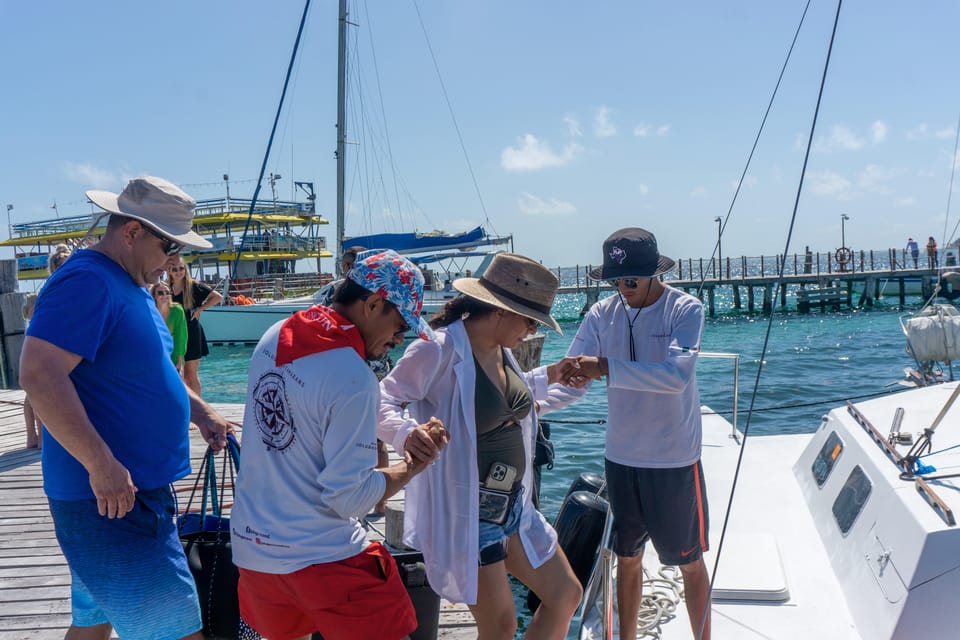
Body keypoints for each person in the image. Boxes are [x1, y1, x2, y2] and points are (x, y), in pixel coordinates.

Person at [18, 176, 233, 640]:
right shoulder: (87, 280)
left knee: (92, 624)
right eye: (169, 247)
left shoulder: (128, 281)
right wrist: (100, 463)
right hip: (113, 501)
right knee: (176, 633)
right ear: (133, 232)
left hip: (121, 498)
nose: (175, 262)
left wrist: (199, 411)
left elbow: (149, 369)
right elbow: (38, 374)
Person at [230, 249, 448, 640]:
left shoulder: (276, 334)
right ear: (373, 304)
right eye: (400, 325)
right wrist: (413, 465)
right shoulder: (353, 376)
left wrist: (400, 434)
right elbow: (350, 499)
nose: (399, 340)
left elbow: (318, 405)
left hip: (253, 551)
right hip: (320, 556)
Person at [379, 253, 583, 639]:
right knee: (501, 626)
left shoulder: (503, 351)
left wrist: (551, 375)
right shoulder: (437, 349)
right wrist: (407, 434)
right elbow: (381, 398)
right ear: (501, 311)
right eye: (530, 320)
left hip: (515, 508)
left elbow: (505, 403)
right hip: (470, 513)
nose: (531, 330)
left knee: (565, 595)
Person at [552, 228, 711, 640]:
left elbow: (677, 377)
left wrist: (603, 366)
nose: (624, 289)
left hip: (673, 458)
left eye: (632, 281)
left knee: (689, 563)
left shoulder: (686, 309)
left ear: (655, 274)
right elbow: (572, 375)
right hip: (621, 457)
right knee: (627, 557)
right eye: (616, 281)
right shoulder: (600, 314)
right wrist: (530, 407)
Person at [317, 244, 392, 514]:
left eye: (352, 264)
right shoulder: (337, 292)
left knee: (376, 439)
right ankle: (358, 498)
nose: (348, 268)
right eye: (346, 264)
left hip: (371, 371)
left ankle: (380, 503)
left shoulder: (373, 293)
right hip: (346, 373)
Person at [21, 243, 74, 449]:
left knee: (36, 386)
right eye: (61, 264)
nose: (64, 266)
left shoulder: (59, 285)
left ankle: (37, 435)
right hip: (47, 338)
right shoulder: (54, 286)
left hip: (49, 336)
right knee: (36, 386)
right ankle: (36, 435)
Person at [166, 255, 222, 395]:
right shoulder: (167, 290)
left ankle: (198, 410)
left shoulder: (194, 286)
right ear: (169, 271)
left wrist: (200, 309)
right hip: (175, 335)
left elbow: (217, 297)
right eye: (175, 269)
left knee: (191, 375)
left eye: (181, 268)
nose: (179, 272)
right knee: (179, 375)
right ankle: (187, 407)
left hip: (192, 333)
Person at [151, 282, 188, 373]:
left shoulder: (177, 310)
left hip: (174, 355)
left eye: (167, 292)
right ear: (154, 296)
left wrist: (180, 362)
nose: (164, 295)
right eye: (160, 293)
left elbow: (181, 337)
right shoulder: (150, 311)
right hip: (154, 356)